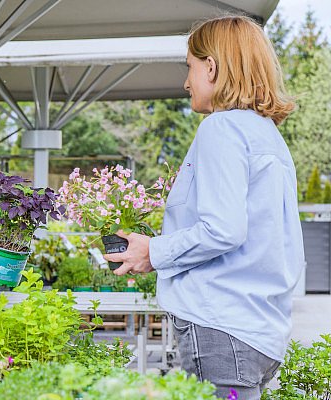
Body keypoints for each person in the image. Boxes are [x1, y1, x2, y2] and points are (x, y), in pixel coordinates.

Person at [103, 15, 303, 399]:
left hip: (222, 328)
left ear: (211, 67)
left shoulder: (221, 128)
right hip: (259, 331)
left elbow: (224, 229)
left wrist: (153, 250)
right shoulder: (266, 135)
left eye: (190, 68)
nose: (185, 82)